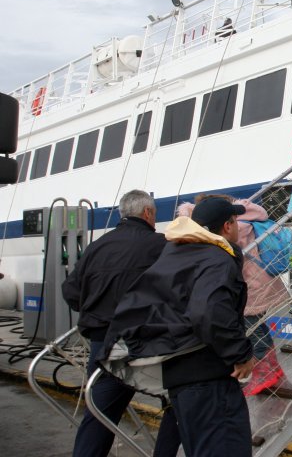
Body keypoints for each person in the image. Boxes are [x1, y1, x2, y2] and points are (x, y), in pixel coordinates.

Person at [102, 196, 256, 457]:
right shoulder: (217, 258)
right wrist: (241, 354)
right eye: (236, 221)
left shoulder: (177, 253)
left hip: (180, 376)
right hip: (208, 378)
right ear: (228, 226)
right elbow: (209, 312)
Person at [62, 189, 180, 457]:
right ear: (148, 213)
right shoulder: (161, 246)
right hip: (147, 343)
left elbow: (70, 291)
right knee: (181, 398)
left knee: (99, 415)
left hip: (103, 345)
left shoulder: (97, 247)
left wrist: (96, 309)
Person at [176, 196, 287, 396]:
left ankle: (267, 371)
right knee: (255, 326)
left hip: (252, 287)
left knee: (251, 328)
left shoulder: (239, 228)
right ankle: (271, 368)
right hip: (255, 284)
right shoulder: (248, 221)